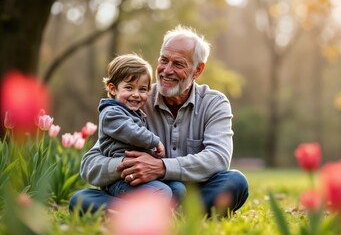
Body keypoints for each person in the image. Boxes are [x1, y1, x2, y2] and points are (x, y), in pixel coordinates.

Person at [69, 25, 249, 216]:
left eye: (178, 64)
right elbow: (90, 164)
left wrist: (161, 168)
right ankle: (169, 217)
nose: (166, 70)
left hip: (193, 195)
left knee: (235, 182)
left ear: (197, 70)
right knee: (81, 199)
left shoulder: (214, 103)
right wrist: (129, 166)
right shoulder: (135, 101)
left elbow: (218, 159)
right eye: (164, 60)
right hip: (145, 192)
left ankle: (150, 216)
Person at [96, 53, 185, 201]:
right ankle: (126, 211)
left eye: (142, 89)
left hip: (141, 176)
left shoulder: (136, 113)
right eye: (129, 88)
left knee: (178, 189)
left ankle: (164, 215)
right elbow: (131, 132)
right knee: (161, 192)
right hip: (120, 180)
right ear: (112, 89)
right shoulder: (111, 113)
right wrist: (155, 142)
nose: (136, 95)